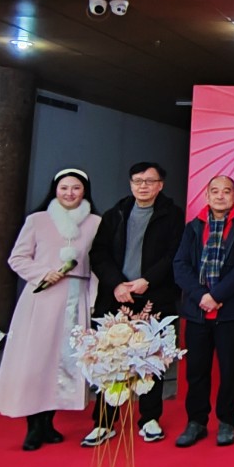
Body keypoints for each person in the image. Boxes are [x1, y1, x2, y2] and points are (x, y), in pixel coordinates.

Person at [0, 168, 102, 451]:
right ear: (55, 189)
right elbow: (18, 258)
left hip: (76, 298)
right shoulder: (37, 220)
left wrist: (93, 299)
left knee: (65, 361)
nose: (69, 193)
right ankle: (33, 426)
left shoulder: (95, 223)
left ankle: (49, 421)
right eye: (64, 188)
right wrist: (43, 273)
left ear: (85, 191)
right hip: (42, 298)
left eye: (76, 188)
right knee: (36, 359)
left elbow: (98, 264)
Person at [83, 161, 184, 447]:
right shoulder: (115, 213)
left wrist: (147, 280)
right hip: (116, 297)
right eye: (138, 181)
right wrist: (116, 283)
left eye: (149, 181)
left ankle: (149, 418)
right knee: (110, 359)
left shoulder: (173, 215)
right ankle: (104, 421)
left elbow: (174, 254)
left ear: (160, 185)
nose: (143, 186)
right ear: (130, 184)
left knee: (153, 359)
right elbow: (99, 253)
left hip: (155, 297)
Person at [172, 175, 234, 448]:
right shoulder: (193, 227)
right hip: (197, 310)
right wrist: (201, 296)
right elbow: (180, 265)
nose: (221, 196)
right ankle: (196, 422)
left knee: (230, 369)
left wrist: (216, 296)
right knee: (196, 370)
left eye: (226, 191)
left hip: (229, 311)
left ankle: (227, 420)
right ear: (207, 196)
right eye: (215, 191)